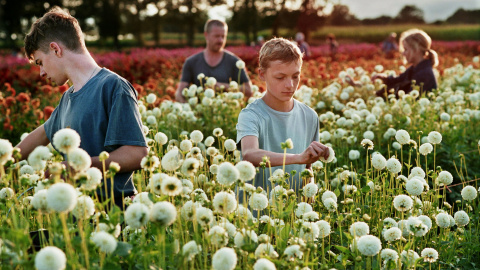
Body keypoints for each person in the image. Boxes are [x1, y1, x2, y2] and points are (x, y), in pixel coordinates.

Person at [17, 7, 148, 206]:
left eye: (40, 62)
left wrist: (78, 166)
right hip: (78, 214)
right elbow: (42, 134)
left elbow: (137, 154)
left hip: (115, 213)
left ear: (55, 49)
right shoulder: (67, 99)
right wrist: (4, 160)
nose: (41, 73)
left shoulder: (113, 86)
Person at [236, 37, 330, 196]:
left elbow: (307, 169)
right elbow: (250, 154)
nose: (290, 85)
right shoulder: (251, 115)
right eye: (280, 77)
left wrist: (309, 202)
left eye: (295, 76)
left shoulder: (310, 116)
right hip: (253, 214)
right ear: (262, 74)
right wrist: (298, 157)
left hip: (292, 215)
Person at [175, 19, 252, 103]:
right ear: (206, 35)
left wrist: (222, 86)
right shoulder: (191, 62)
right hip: (200, 112)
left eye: (223, 36)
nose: (220, 40)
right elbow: (179, 93)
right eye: (216, 36)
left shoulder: (235, 62)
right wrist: (189, 109)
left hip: (227, 112)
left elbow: (248, 90)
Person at [373, 29, 438, 97]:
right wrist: (383, 78)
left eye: (406, 49)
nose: (403, 53)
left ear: (417, 49)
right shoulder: (415, 69)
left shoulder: (424, 74)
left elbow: (411, 100)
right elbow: (399, 80)